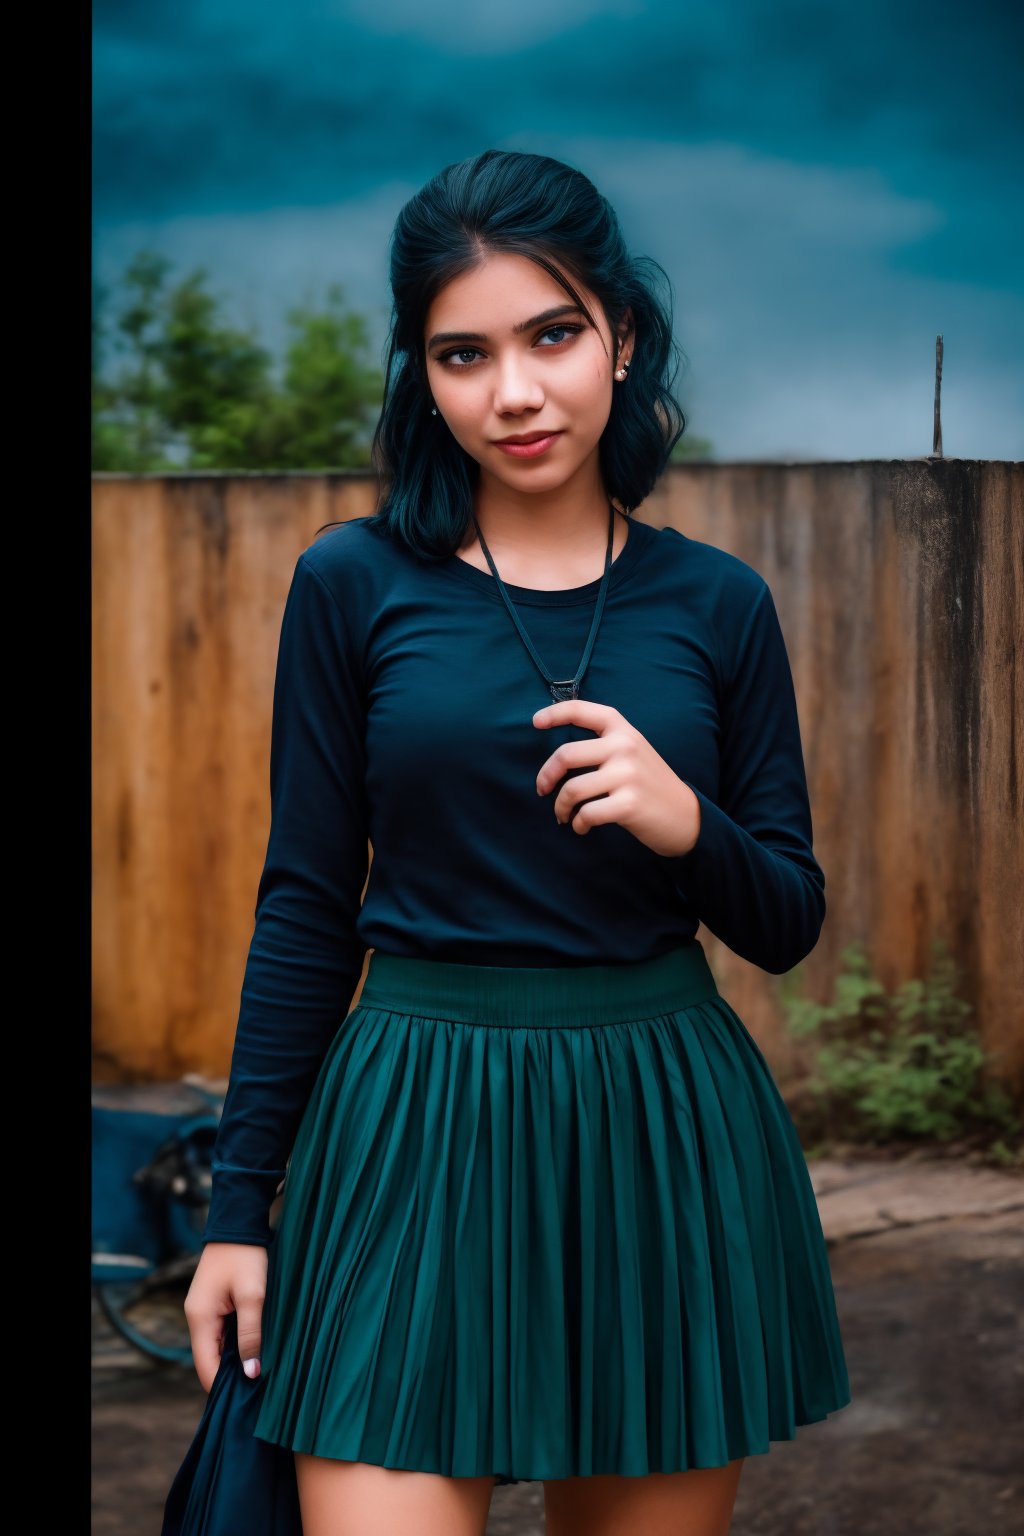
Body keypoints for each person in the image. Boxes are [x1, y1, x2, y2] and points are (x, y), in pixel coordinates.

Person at [180, 148, 852, 1536]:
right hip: (410, 1125)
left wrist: (687, 823)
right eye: (462, 353)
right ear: (422, 377)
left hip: (656, 1128)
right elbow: (307, 905)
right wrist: (239, 1210)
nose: (516, 392)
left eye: (551, 335)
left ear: (620, 331)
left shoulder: (719, 606)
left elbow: (786, 912)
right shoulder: (351, 584)